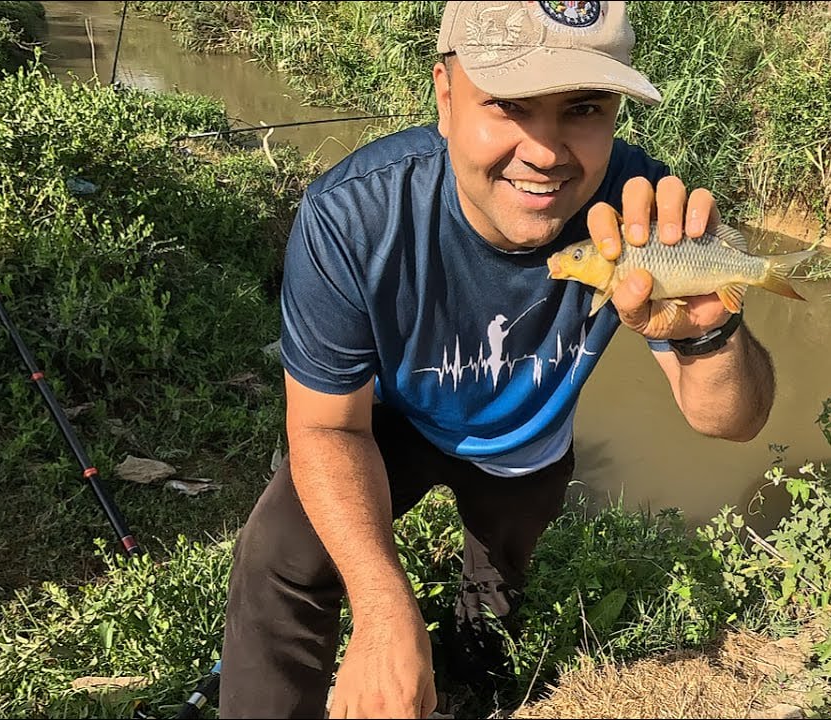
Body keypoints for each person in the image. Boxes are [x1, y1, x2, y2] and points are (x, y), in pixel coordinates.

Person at [219, 1, 779, 718]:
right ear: (446, 98)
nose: (546, 152)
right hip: (399, 424)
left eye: (583, 107)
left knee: (494, 594)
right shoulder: (353, 217)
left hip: (529, 446)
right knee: (279, 560)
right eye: (509, 105)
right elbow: (327, 427)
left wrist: (709, 328)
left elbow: (731, 420)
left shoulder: (636, 220)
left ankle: (471, 680)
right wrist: (385, 609)